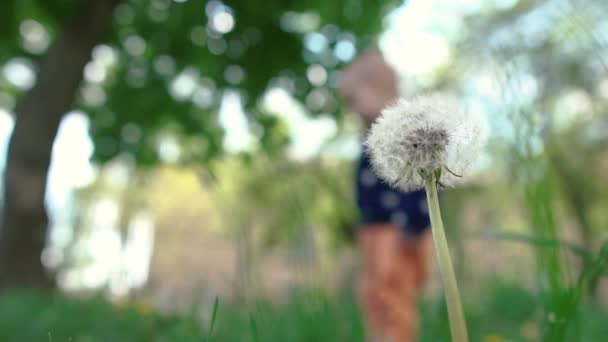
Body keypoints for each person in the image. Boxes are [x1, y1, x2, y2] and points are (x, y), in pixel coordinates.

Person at [339, 48, 432, 342]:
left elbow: (420, 183)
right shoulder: (371, 137)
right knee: (374, 294)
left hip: (396, 232)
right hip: (373, 232)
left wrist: (413, 224)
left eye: (355, 100)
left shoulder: (403, 136)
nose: (352, 109)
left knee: (391, 295)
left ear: (380, 89)